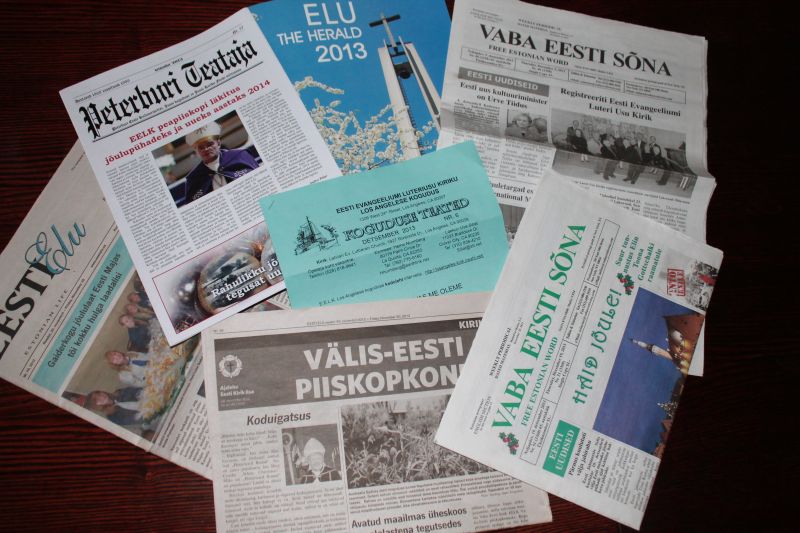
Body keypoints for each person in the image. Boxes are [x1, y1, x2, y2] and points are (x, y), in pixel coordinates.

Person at [183, 122, 260, 204]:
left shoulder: (240, 156)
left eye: (209, 144)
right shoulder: (193, 179)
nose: (206, 149)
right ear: (196, 151)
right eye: (201, 147)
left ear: (218, 143)